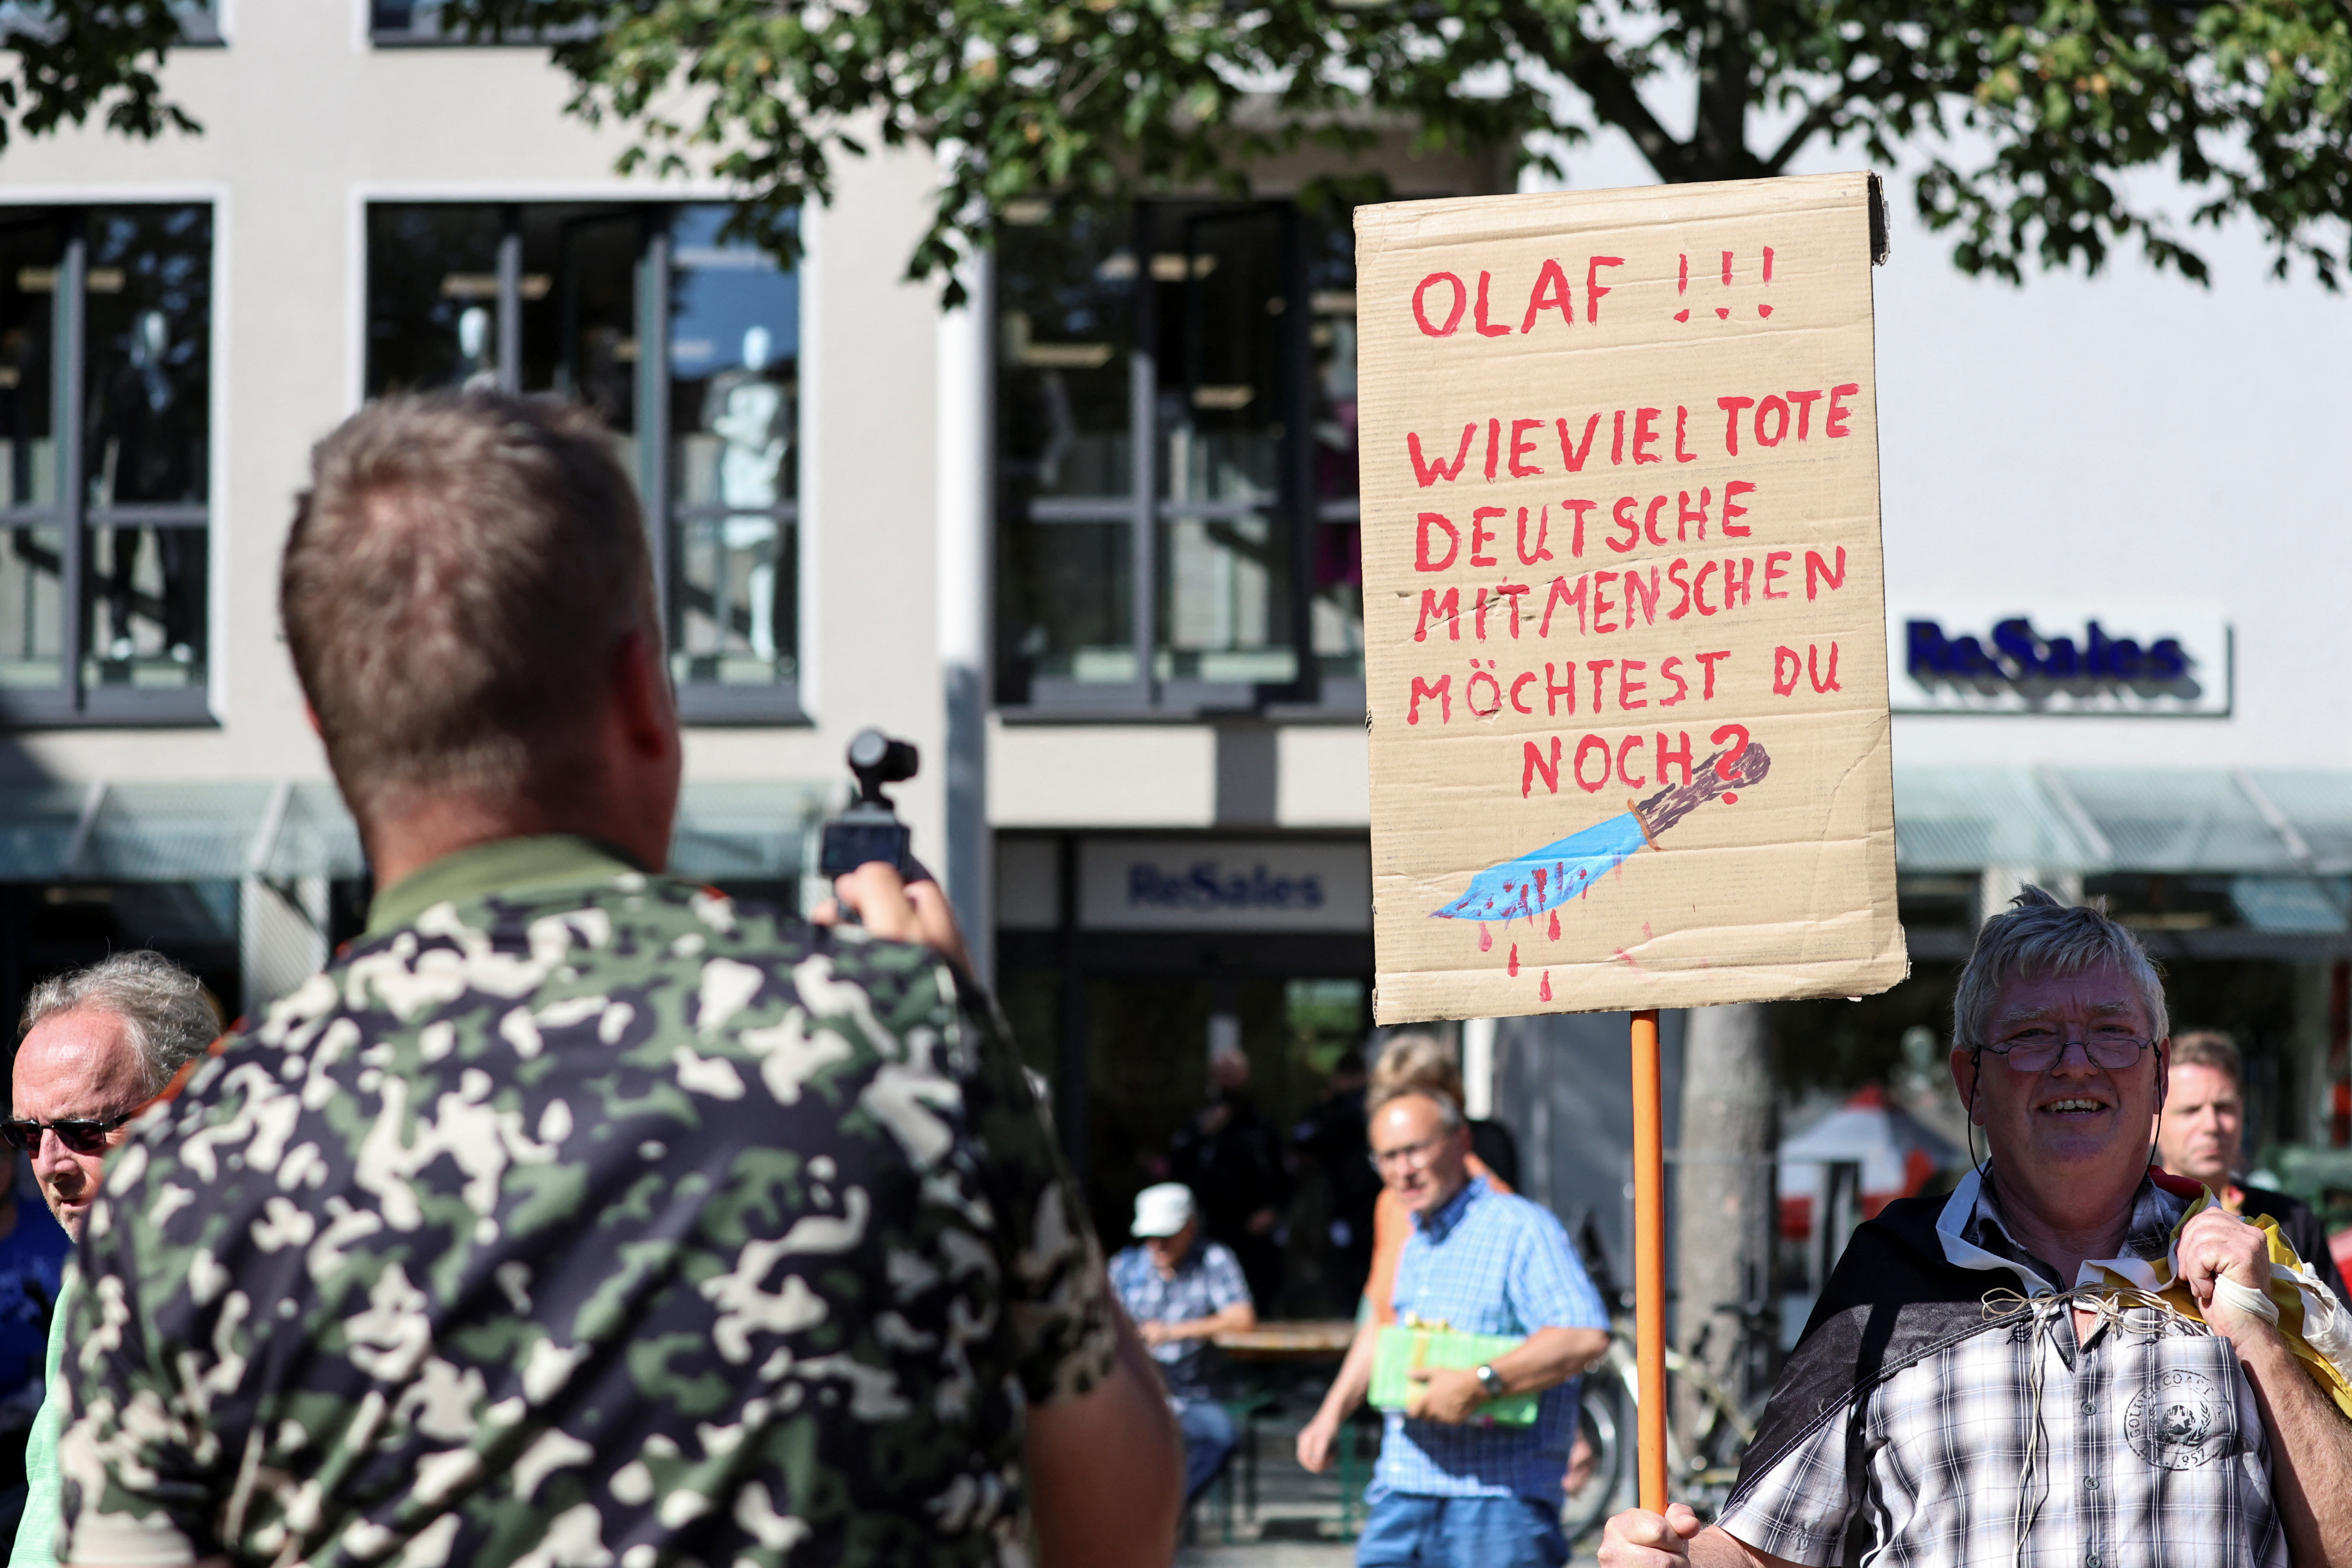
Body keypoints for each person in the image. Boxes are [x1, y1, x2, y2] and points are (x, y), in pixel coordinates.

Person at [50, 392, 1180, 1568]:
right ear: (644, 688)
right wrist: (979, 1066)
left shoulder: (186, 1171)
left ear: (327, 733)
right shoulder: (898, 1049)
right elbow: (1118, 1526)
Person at [1603, 887, 2352, 1568]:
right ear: (1971, 1082)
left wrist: (2256, 1336)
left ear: (2157, 1071)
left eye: (2112, 1031)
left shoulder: (2260, 1276)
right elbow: (1768, 1553)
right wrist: (1672, 1559)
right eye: (2032, 1035)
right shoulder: (1889, 1284)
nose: (2076, 1063)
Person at [1299, 1085, 1609, 1567]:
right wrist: (1329, 1415)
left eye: (1415, 1149)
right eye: (1387, 1156)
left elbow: (1582, 1336)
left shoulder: (1520, 1228)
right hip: (1403, 1491)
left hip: (1497, 1502)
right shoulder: (1412, 1234)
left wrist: (1478, 1383)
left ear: (1461, 1142)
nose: (1402, 1169)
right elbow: (1384, 1332)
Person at [5, 951, 217, 1568]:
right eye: (28, 1133)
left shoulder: (236, 1284)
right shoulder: (101, 1271)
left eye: (84, 1129)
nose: (50, 1163)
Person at [2157, 1028, 2352, 1305]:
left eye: (2224, 1108)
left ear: (2242, 1111)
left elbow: (2341, 1339)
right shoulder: (2126, 1223)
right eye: (2191, 1110)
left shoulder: (2292, 1221)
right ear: (2153, 1122)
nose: (2212, 1125)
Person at [1108, 1183, 1256, 1509]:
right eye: (1151, 1235)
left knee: (1222, 1437)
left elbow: (1242, 1317)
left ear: (1190, 1227)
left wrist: (1174, 1332)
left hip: (1191, 1394)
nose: (1157, 1244)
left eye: (1167, 1234)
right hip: (1133, 1392)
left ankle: (1164, 1513)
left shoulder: (1213, 1260)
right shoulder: (1124, 1267)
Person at [1169, 1047, 1292, 1311]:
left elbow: (1285, 1177)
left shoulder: (1261, 1124)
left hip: (1253, 1231)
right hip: (1211, 1226)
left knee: (1259, 1297)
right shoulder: (1200, 1122)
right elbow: (1177, 1166)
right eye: (1222, 1074)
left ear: (1245, 1076)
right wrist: (1201, 1134)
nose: (1227, 1081)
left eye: (1232, 1073)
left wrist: (1273, 1211)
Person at [1295, 1049, 1380, 1304]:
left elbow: (1307, 1139)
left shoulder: (1348, 1110)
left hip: (1355, 1202)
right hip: (1358, 1201)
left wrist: (1326, 1103)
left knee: (1352, 1272)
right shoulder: (1366, 1106)